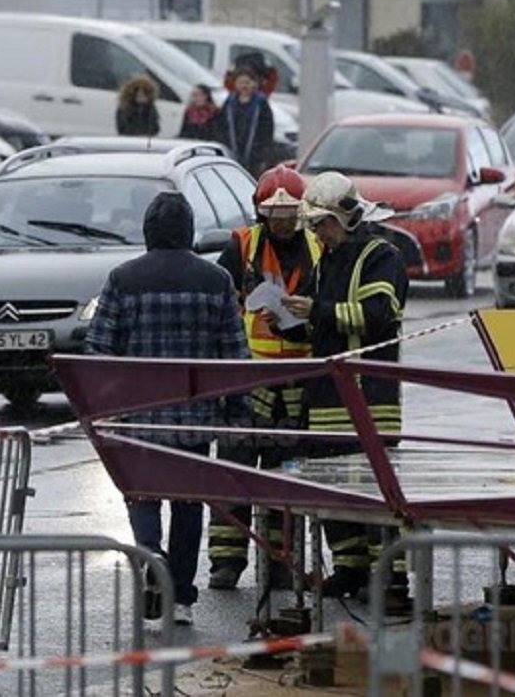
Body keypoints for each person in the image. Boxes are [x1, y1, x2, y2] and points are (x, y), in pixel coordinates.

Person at [86, 191, 250, 627]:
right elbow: (235, 356)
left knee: (141, 496)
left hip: (138, 417)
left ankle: (150, 559)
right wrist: (237, 411)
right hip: (195, 420)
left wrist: (103, 405)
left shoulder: (123, 279)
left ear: (148, 232)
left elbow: (97, 351)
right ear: (189, 232)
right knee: (188, 505)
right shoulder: (216, 281)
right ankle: (181, 597)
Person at [282, 172, 409, 601]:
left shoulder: (382, 256)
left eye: (323, 224)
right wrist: (293, 326)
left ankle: (391, 578)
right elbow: (326, 328)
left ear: (347, 215)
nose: (317, 234)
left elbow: (377, 315)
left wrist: (317, 310)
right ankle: (350, 567)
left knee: (377, 493)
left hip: (369, 397)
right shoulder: (329, 258)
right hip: (327, 400)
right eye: (314, 227)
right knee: (334, 485)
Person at [207, 165, 322, 593]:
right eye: (274, 214)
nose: (282, 222)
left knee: (284, 477)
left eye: (289, 213)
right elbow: (222, 310)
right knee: (233, 474)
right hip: (246, 384)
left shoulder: (316, 249)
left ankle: (279, 562)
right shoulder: (240, 247)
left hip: (297, 382)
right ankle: (226, 561)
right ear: (260, 211)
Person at [221, 66, 275, 176]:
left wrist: (263, 154)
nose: (244, 86)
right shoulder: (229, 103)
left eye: (247, 82)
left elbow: (267, 130)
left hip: (254, 155)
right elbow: (221, 126)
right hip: (232, 151)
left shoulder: (260, 103)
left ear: (254, 83)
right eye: (241, 82)